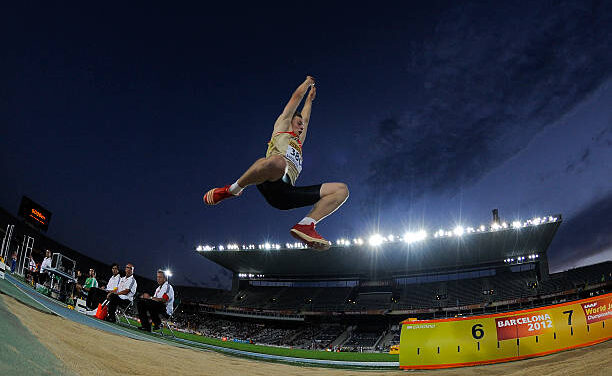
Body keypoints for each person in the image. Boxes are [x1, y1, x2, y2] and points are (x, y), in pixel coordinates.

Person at [203, 76, 349, 250]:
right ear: (289, 121)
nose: (302, 127)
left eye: (302, 125)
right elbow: (295, 99)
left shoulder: (298, 142)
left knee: (341, 190)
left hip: (285, 195)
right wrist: (307, 83)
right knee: (278, 162)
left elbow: (307, 120)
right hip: (269, 179)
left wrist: (310, 100)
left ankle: (306, 225)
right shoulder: (282, 128)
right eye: (298, 123)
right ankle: (232, 190)